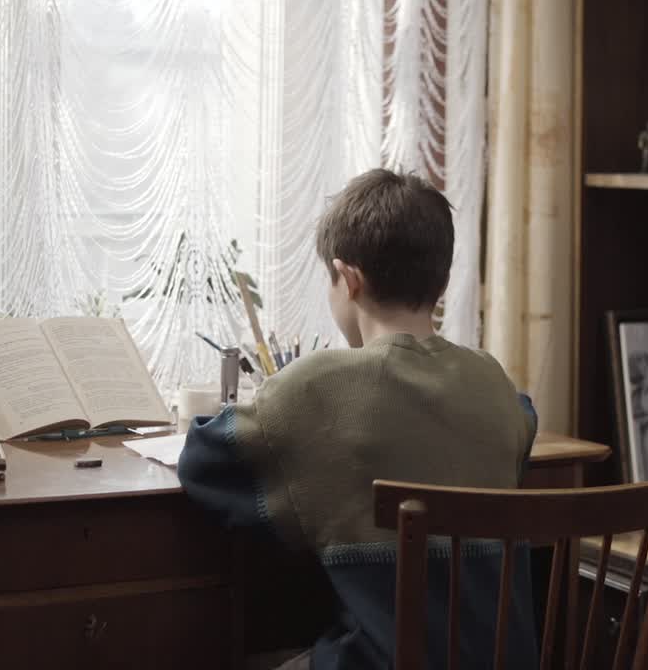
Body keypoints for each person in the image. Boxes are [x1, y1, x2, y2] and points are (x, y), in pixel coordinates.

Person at [179, 169, 539, 670]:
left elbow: (202, 465)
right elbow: (525, 425)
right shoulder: (495, 383)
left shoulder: (314, 386)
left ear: (348, 280)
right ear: (443, 281)